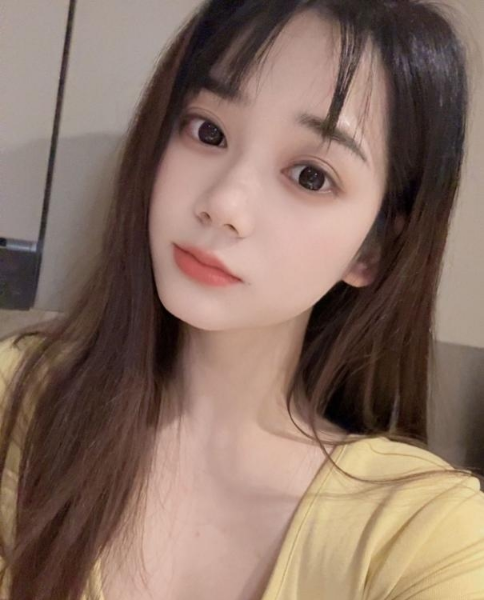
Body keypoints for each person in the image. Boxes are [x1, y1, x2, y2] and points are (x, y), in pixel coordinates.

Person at [1, 0, 484, 598]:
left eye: (310, 176)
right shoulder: (22, 399)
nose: (224, 204)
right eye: (209, 131)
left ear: (373, 250)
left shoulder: (422, 533)